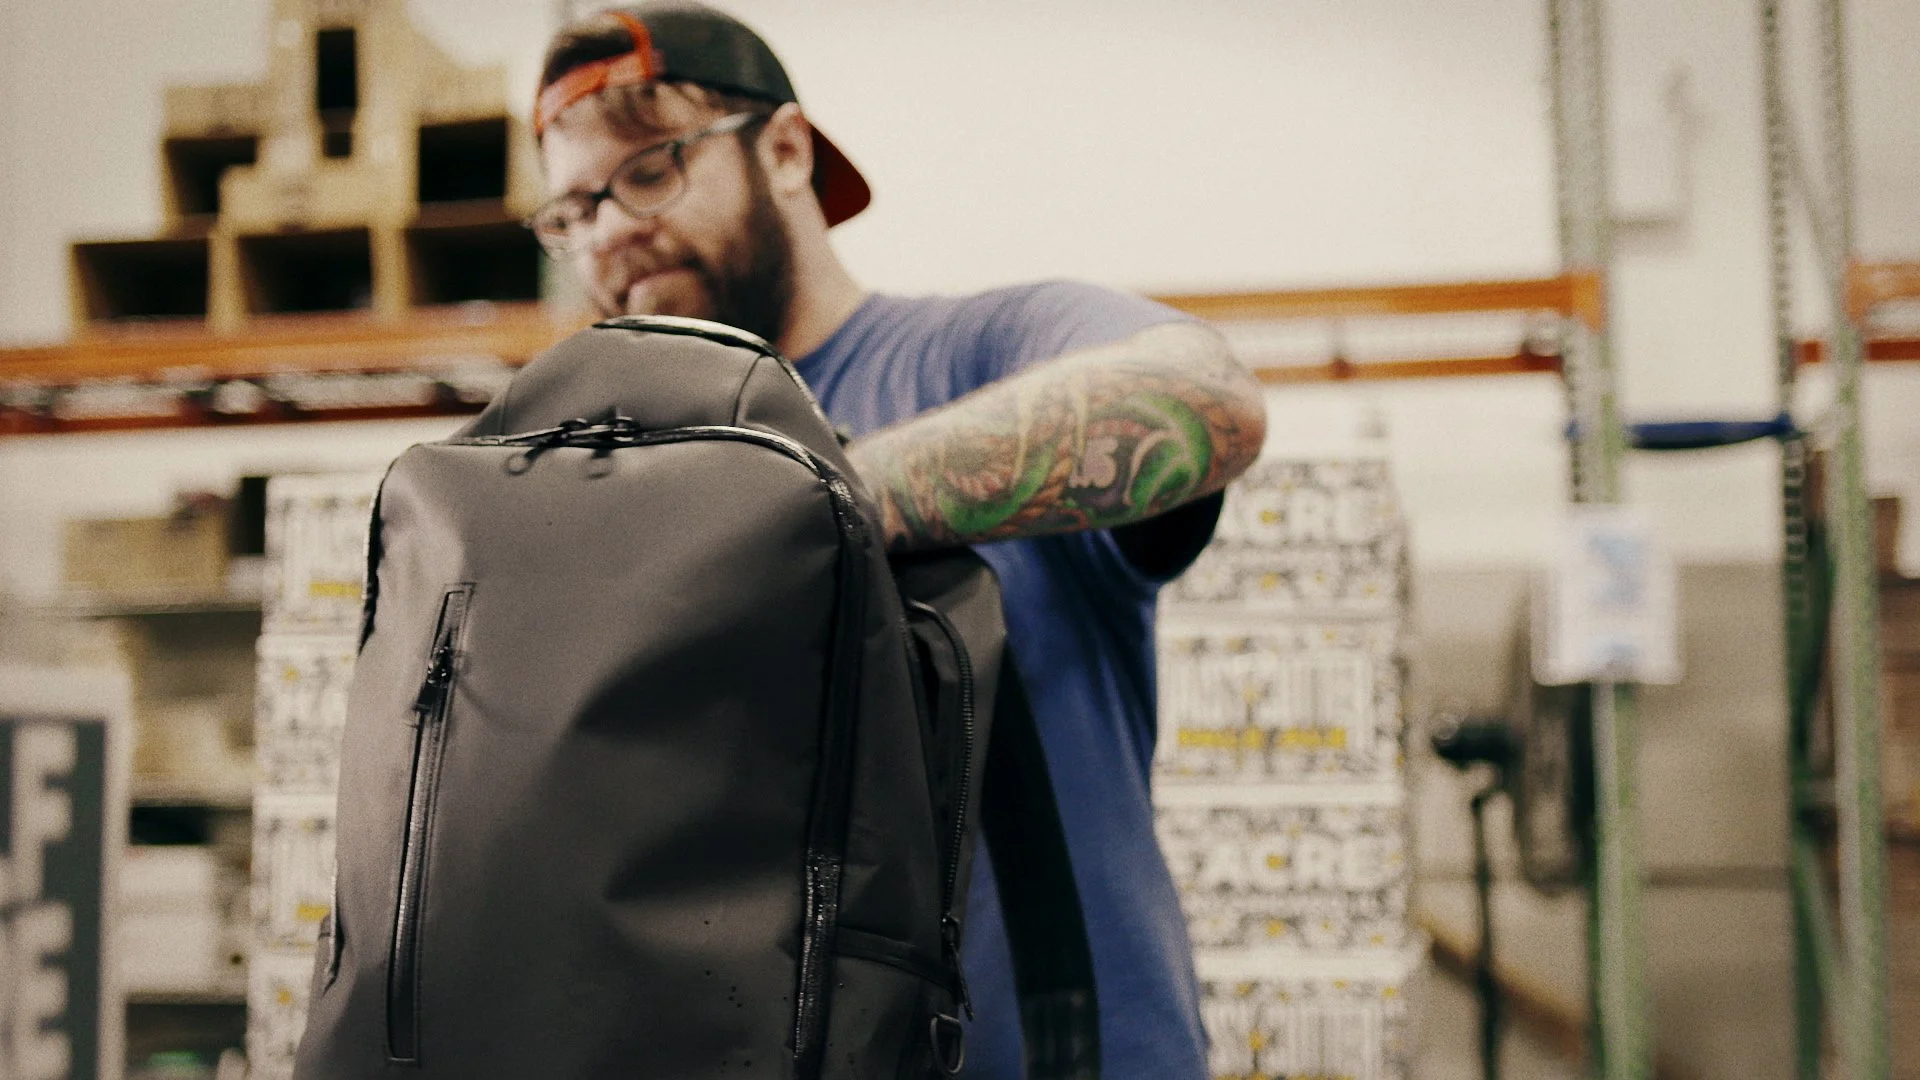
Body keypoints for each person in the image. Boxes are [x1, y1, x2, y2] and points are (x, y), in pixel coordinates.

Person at [528, 5, 1268, 1077]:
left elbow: (1206, 401)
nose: (606, 233)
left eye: (647, 173)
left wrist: (799, 514)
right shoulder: (617, 474)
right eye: (572, 208)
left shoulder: (982, 355)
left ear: (784, 150)